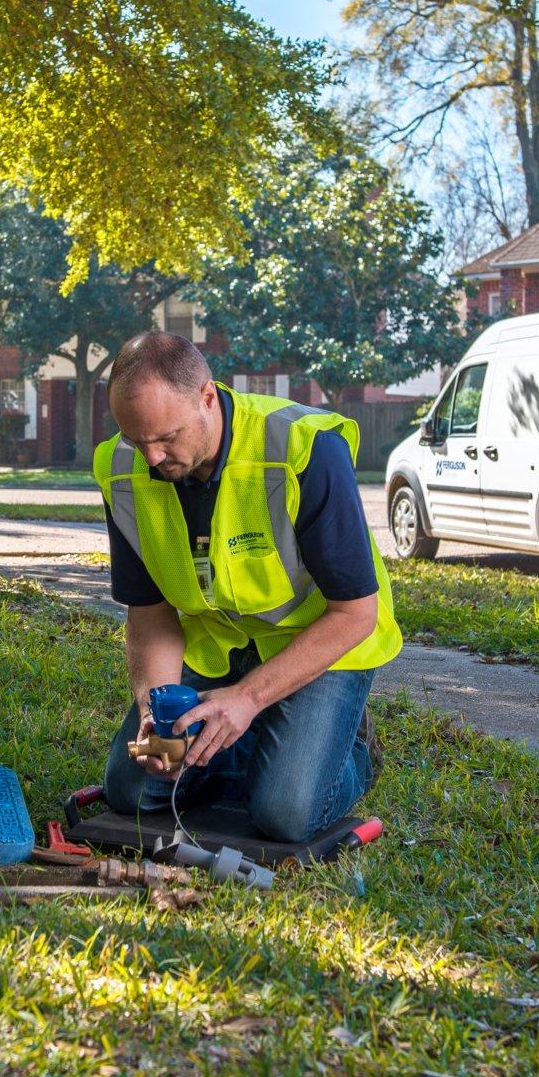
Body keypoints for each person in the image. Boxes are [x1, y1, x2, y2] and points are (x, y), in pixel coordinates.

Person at [92, 332, 400, 844]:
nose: (150, 458)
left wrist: (248, 698)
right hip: (215, 646)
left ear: (207, 398)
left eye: (165, 437)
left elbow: (355, 614)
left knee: (284, 812)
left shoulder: (303, 447)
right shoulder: (121, 468)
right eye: (135, 438)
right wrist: (152, 710)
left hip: (321, 646)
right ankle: (251, 742)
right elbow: (150, 614)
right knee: (132, 790)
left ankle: (351, 749)